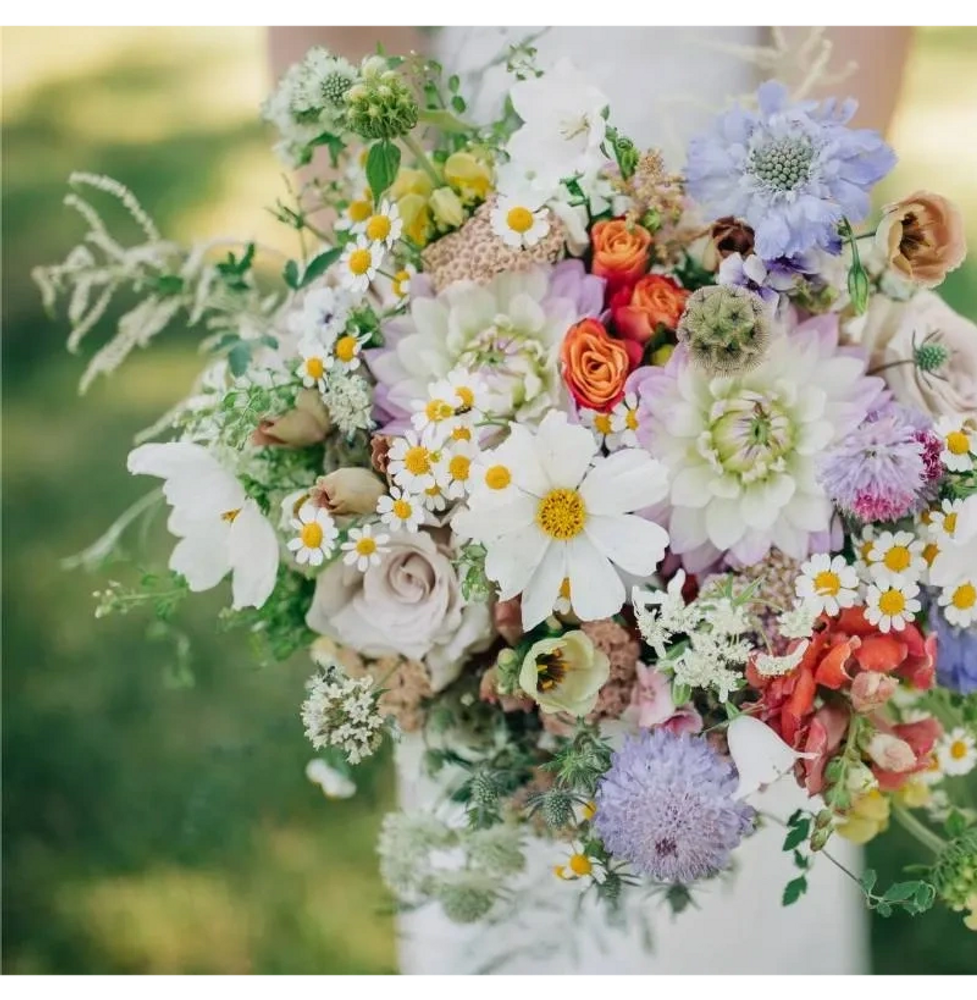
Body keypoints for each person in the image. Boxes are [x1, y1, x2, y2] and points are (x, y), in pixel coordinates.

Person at [268, 21, 913, 979]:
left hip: (748, 224)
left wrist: (782, 257)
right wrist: (373, 293)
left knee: (751, 773)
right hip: (470, 242)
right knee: (497, 806)